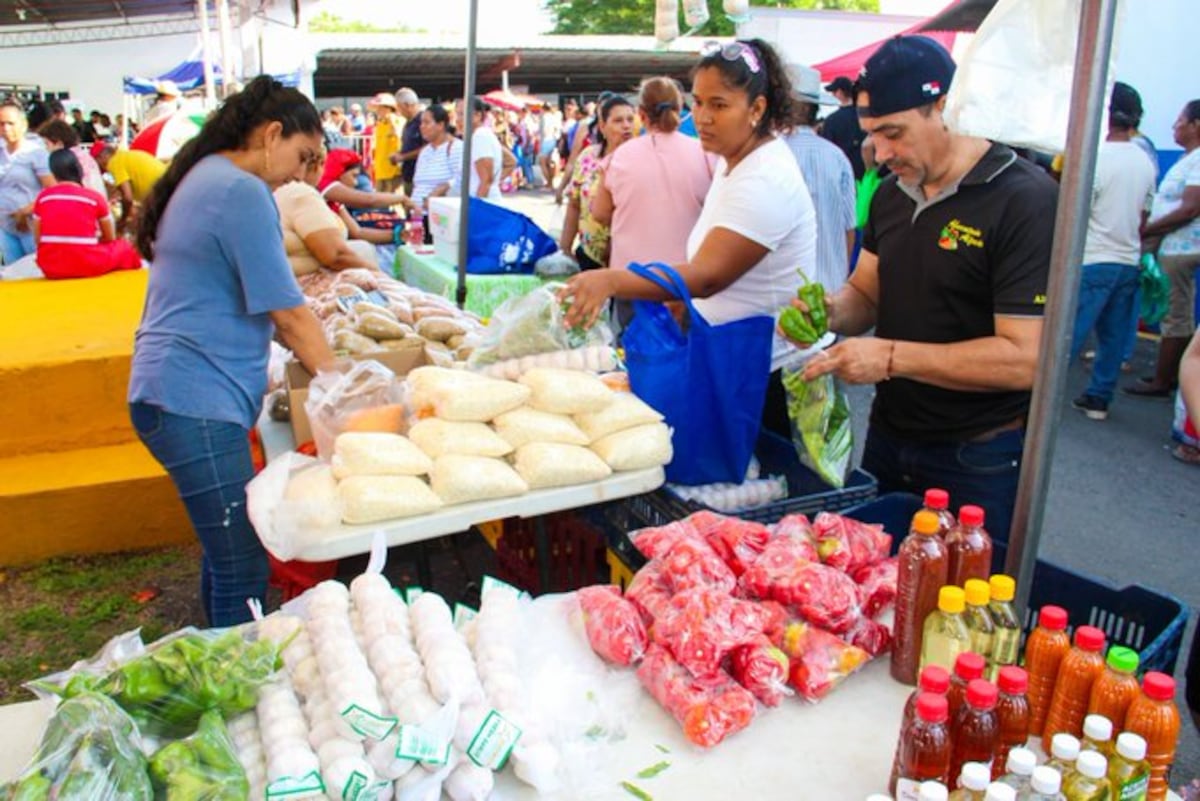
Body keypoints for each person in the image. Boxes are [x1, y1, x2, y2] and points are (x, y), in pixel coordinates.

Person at [792, 35, 1058, 543]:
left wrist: (890, 358)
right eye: (872, 135)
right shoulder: (892, 194)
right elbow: (865, 295)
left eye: (894, 133)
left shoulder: (1025, 199)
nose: (881, 153)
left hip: (976, 454)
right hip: (889, 436)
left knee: (957, 602)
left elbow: (1026, 359)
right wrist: (825, 312)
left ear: (944, 107)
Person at [129, 75, 334, 627]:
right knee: (242, 565)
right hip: (192, 399)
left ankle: (210, 650)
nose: (301, 171)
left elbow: (244, 294)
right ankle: (231, 687)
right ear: (272, 134)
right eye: (302, 154)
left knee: (226, 553)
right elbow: (288, 313)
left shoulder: (206, 176)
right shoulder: (240, 191)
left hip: (175, 392)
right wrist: (341, 382)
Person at [563, 39, 815, 438]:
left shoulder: (765, 177)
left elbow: (709, 275)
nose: (702, 117)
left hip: (763, 377)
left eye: (719, 105)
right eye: (697, 102)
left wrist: (611, 279)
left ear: (757, 108)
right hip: (730, 360)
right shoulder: (734, 163)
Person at [1068, 82, 1157, 421]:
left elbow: (1076, 214)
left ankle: (1037, 404)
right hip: (1128, 259)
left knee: (1067, 337)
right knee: (1113, 337)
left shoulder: (1095, 158)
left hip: (1092, 259)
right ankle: (1098, 399)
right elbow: (1143, 216)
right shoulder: (1145, 161)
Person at [590, 75, 712, 285]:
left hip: (631, 280)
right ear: (681, 108)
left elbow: (600, 213)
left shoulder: (618, 158)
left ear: (641, 114)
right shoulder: (706, 154)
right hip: (686, 280)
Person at [1124, 99, 1200, 398]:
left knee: (1176, 314)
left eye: (1179, 121)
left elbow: (1190, 208)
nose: (1175, 127)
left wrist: (1147, 229)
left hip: (1183, 247)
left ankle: (1164, 379)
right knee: (1174, 311)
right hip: (1176, 245)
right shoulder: (1189, 158)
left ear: (1196, 125)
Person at [782, 64, 856, 293]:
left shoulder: (769, 154)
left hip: (782, 296)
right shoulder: (836, 157)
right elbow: (849, 228)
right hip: (831, 291)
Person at [31, 149, 141, 279]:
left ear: (54, 173)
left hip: (50, 267)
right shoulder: (94, 198)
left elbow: (38, 240)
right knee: (123, 247)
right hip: (87, 264)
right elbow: (109, 238)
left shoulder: (43, 198)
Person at [276, 147, 379, 283]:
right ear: (317, 165)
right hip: (303, 284)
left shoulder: (283, 188)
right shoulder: (301, 193)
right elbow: (336, 256)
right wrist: (380, 276)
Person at [559, 95, 635, 270]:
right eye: (618, 121)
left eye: (630, 119)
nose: (626, 126)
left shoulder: (640, 160)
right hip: (589, 254)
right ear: (602, 126)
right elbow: (574, 205)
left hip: (627, 258)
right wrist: (565, 248)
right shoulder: (589, 156)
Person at [0, 100, 54, 264]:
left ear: (23, 125)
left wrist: (25, 211)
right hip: (5, 225)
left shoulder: (35, 153)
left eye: (11, 123)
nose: (6, 128)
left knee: (34, 269)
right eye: (2, 124)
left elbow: (51, 189)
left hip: (31, 226)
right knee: (12, 272)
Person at [408, 104, 463, 244]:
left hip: (440, 219)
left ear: (441, 125)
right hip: (418, 217)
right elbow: (417, 183)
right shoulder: (425, 151)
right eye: (421, 122)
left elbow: (460, 178)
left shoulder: (456, 148)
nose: (422, 127)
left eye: (427, 122)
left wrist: (441, 189)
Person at [92, 143, 168, 235]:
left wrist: (123, 220)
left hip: (162, 196)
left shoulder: (114, 162)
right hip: (166, 190)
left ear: (102, 157)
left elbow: (127, 198)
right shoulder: (124, 156)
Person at [37, 119, 106, 198]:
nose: (46, 149)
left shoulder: (65, 161)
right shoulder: (82, 155)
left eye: (47, 144)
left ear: (59, 144)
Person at [820, 75, 866, 180]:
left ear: (840, 93)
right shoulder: (864, 115)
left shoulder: (832, 120)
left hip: (842, 173)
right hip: (866, 174)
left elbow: (827, 151)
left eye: (833, 92)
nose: (832, 95)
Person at [468, 98, 504, 201]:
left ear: (477, 115)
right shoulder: (479, 135)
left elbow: (486, 180)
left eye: (462, 114)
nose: (457, 119)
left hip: (484, 204)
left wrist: (477, 208)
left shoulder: (480, 136)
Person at [392, 88, 425, 198]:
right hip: (409, 174)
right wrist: (398, 154)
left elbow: (428, 147)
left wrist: (403, 157)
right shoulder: (408, 123)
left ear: (407, 105)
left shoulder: (423, 121)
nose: (399, 112)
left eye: (399, 108)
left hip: (419, 175)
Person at [368, 93, 403, 193]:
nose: (377, 111)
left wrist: (393, 124)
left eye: (380, 108)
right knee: (380, 203)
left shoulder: (397, 120)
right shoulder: (379, 124)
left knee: (395, 202)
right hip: (380, 169)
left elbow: (400, 136)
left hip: (393, 170)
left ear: (388, 108)